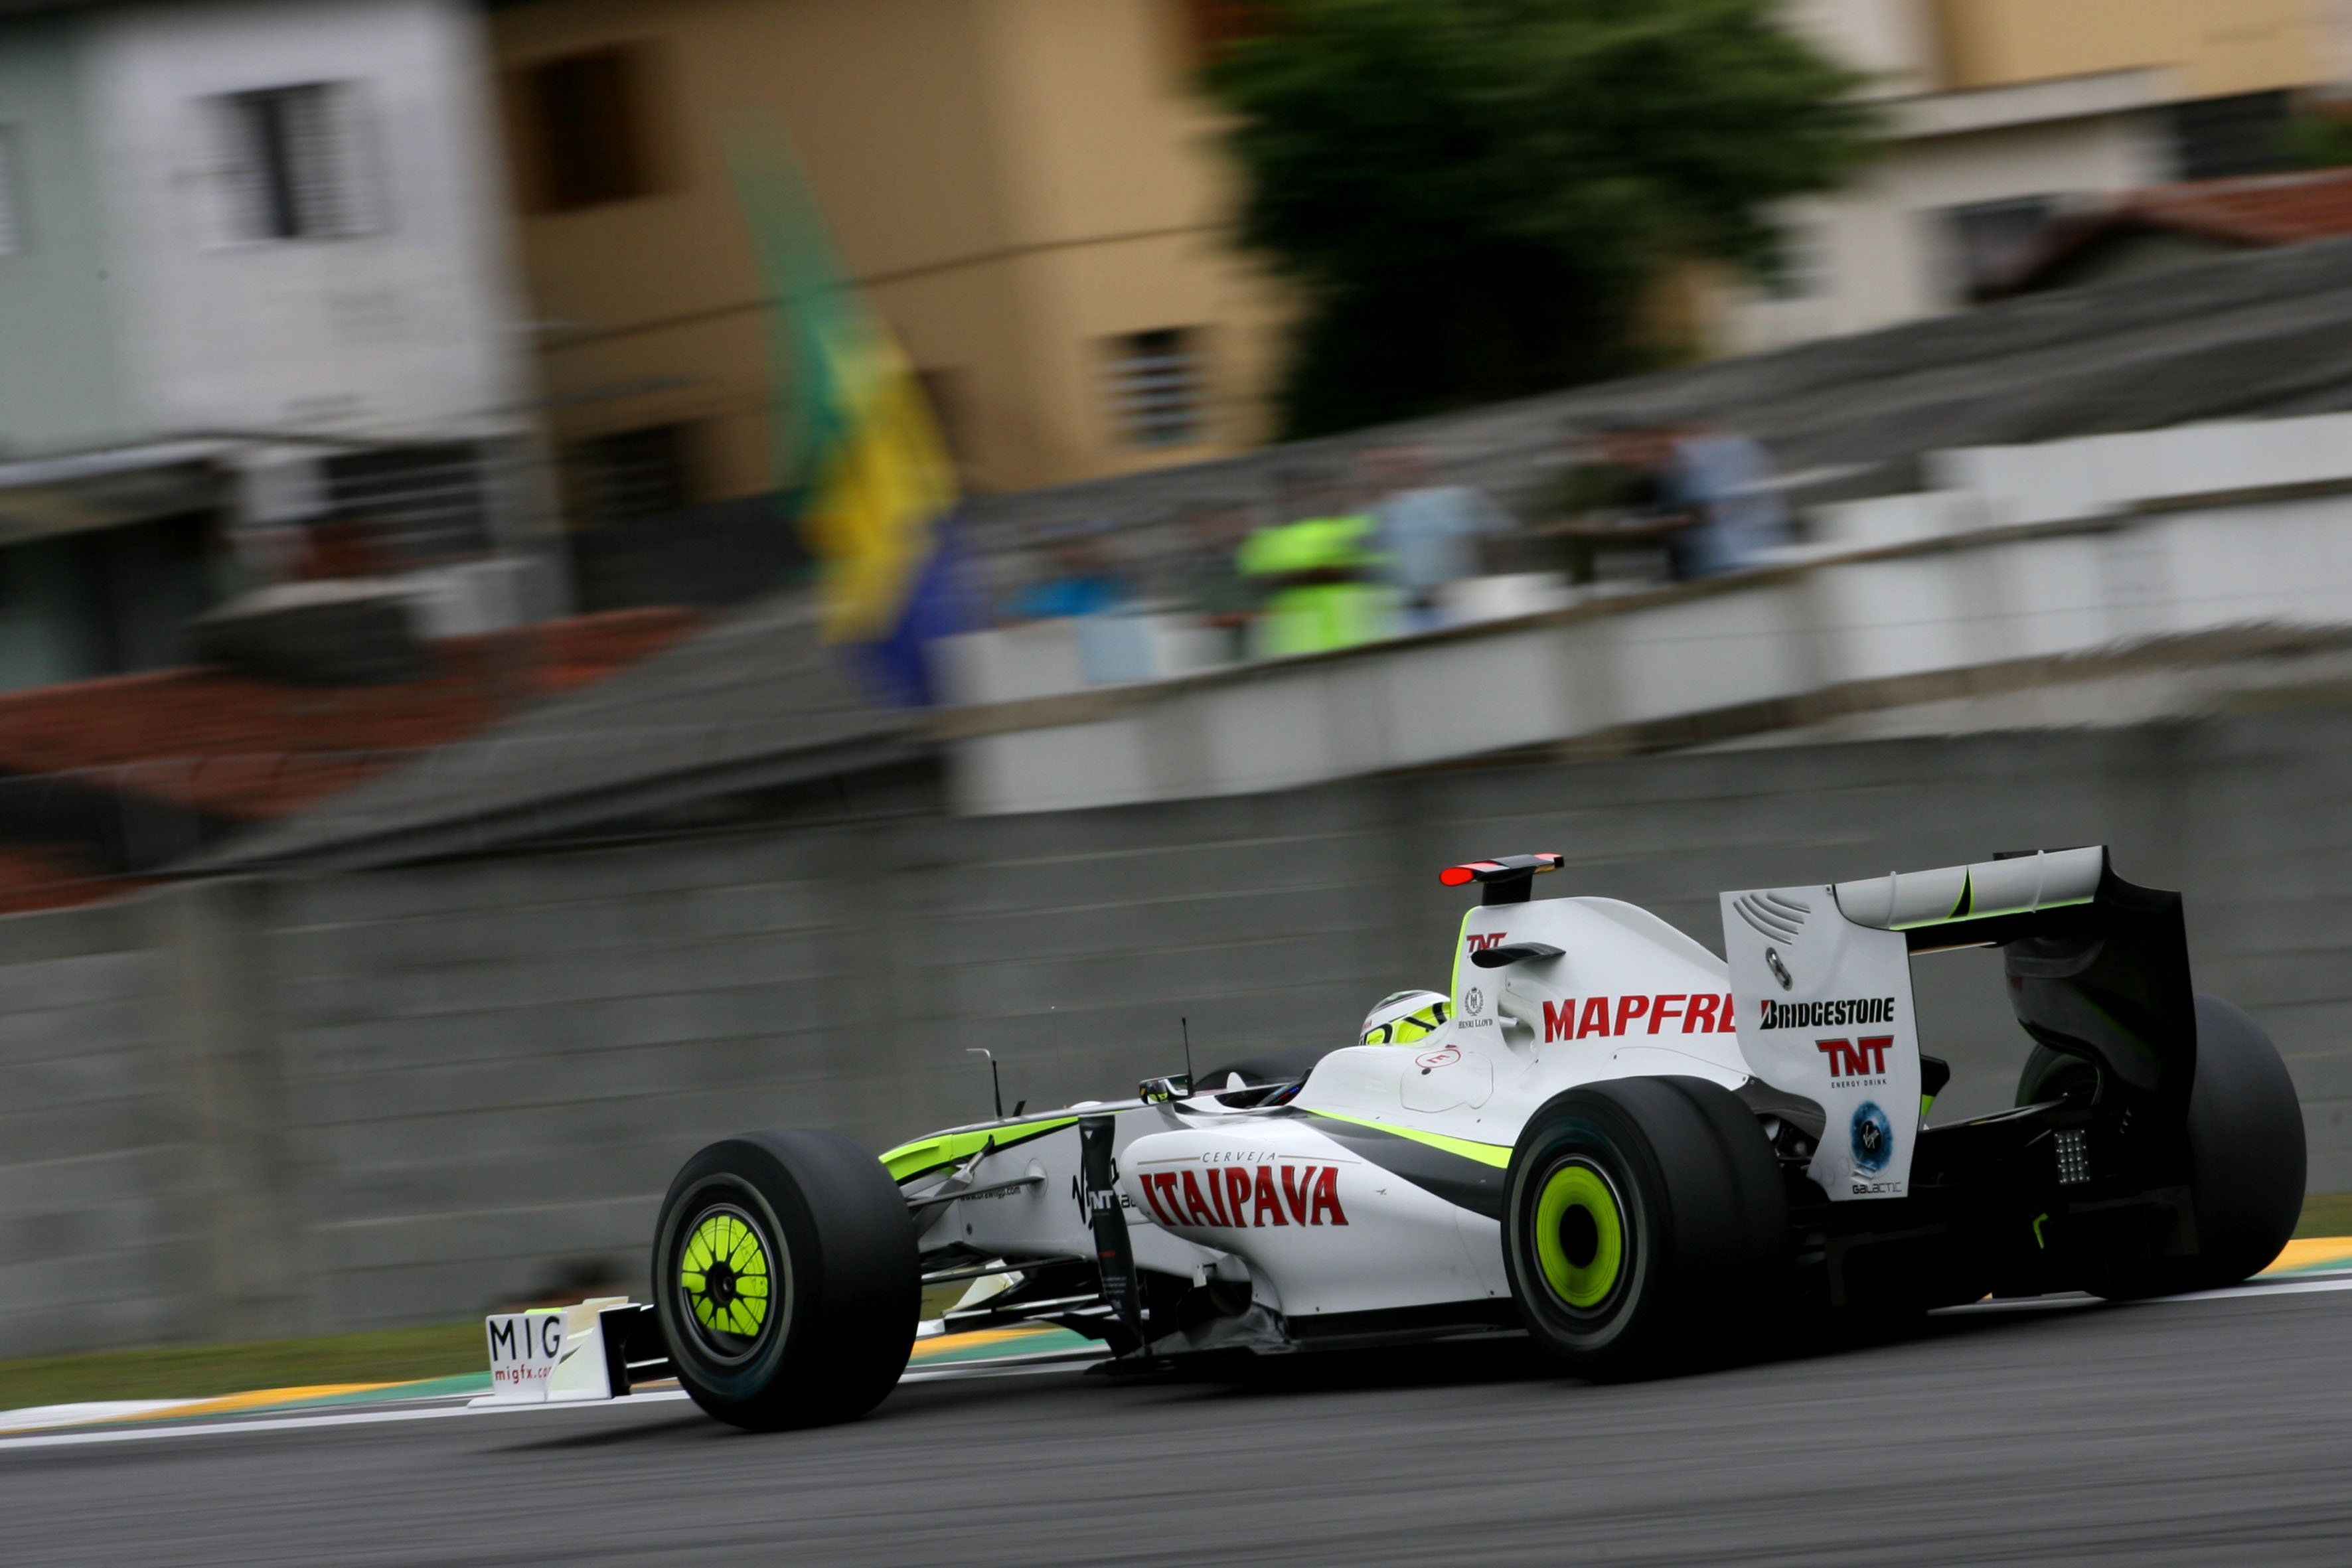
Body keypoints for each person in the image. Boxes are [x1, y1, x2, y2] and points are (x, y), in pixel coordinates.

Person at [1237, 473, 1394, 655]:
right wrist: (1319, 572)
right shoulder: (1265, 541)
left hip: (1360, 638)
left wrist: (1302, 576)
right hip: (1297, 646)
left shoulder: (1357, 527)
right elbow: (1260, 584)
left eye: (1314, 491)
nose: (1306, 499)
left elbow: (1370, 570)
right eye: (1296, 494)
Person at [1362, 447, 1516, 629]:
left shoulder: (1461, 497)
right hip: (1411, 606)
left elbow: (1498, 538)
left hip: (1465, 597)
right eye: (1383, 465)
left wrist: (1489, 582)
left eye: (1406, 461)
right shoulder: (1379, 511)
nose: (1397, 469)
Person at [1657, 424, 1793, 580]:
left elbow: (1727, 507)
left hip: (1738, 559)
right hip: (1729, 558)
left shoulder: (1721, 454)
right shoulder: (1731, 451)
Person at [1003, 520, 1129, 619]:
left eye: (1080, 544)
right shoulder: (1038, 593)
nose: (1072, 552)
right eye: (1060, 546)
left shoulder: (1115, 583)